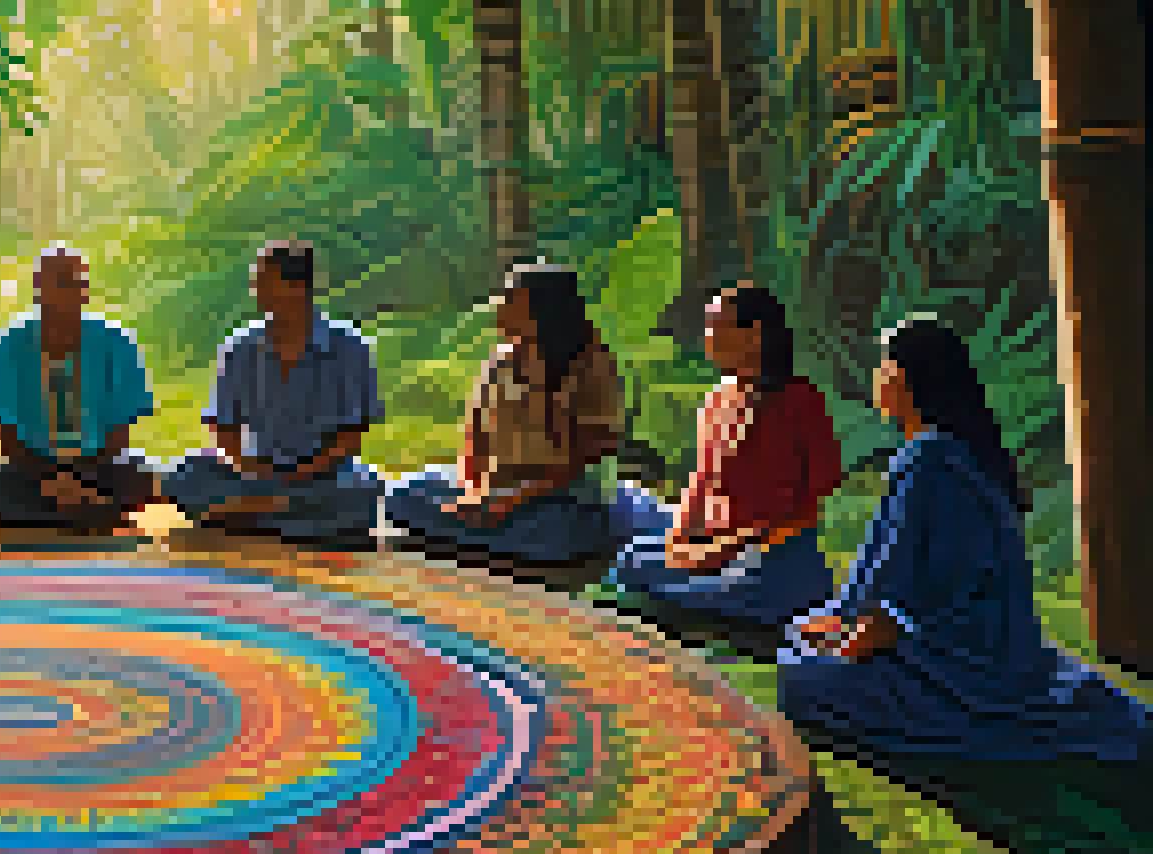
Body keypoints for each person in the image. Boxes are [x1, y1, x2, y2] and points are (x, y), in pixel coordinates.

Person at [778, 318, 1148, 761]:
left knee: (803, 677)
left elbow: (888, 592)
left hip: (960, 661)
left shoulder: (924, 462)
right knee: (805, 647)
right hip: (996, 647)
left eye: (883, 367)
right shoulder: (962, 452)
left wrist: (845, 635)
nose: (876, 379)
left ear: (902, 379)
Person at [382, 263, 656, 564]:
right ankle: (489, 535)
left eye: (512, 300)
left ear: (543, 311)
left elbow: (585, 459)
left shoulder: (592, 365)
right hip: (498, 488)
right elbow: (475, 438)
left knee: (550, 533)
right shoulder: (500, 362)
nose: (500, 307)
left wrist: (513, 499)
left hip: (560, 498)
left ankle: (489, 536)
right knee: (402, 494)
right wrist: (474, 493)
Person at [605, 286, 844, 628]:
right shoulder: (718, 400)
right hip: (716, 547)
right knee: (634, 558)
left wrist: (723, 548)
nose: (707, 337)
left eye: (717, 326)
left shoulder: (801, 402)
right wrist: (680, 544)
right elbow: (700, 485)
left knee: (733, 580)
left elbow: (807, 507)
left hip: (772, 554)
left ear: (755, 335)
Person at [162, 240, 385, 545]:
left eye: (265, 281)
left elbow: (351, 437)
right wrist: (248, 467)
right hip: (256, 470)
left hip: (323, 474)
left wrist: (303, 473)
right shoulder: (240, 347)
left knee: (361, 489)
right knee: (183, 474)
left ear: (299, 288)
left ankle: (249, 512)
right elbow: (223, 427)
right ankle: (288, 514)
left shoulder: (350, 347)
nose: (256, 290)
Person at [0, 245, 160, 533]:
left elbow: (120, 434)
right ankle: (92, 510)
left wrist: (76, 481)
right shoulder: (6, 346)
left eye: (77, 283)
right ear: (37, 290)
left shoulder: (117, 343)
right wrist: (53, 481)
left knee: (145, 473)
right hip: (32, 471)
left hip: (98, 467)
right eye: (59, 283)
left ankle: (54, 513)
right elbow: (5, 437)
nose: (70, 292)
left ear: (86, 291)